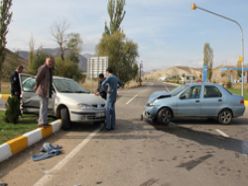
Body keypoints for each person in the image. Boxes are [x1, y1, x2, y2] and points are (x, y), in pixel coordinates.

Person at [35, 56, 54, 127]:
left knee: (45, 106)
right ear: (46, 61)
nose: (51, 63)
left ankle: (45, 121)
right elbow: (37, 78)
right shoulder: (43, 68)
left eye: (52, 61)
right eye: (49, 61)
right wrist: (37, 86)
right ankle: (41, 122)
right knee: (43, 106)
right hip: (42, 90)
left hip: (47, 91)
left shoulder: (50, 69)